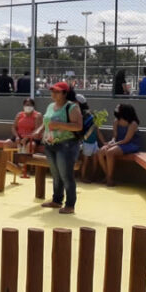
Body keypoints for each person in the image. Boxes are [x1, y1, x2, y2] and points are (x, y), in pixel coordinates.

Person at [40, 82, 83, 214]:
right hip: (50, 144)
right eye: (52, 91)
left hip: (66, 145)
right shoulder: (51, 106)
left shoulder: (72, 107)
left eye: (57, 91)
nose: (53, 93)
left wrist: (59, 125)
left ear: (65, 93)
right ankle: (57, 200)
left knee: (66, 175)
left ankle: (70, 205)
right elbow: (46, 122)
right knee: (56, 174)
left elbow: (78, 126)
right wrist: (39, 132)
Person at [97, 104, 141, 187]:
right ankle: (108, 176)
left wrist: (113, 144)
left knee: (110, 152)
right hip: (118, 143)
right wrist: (112, 141)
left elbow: (126, 140)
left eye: (118, 108)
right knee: (100, 151)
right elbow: (115, 136)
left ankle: (110, 178)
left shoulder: (133, 123)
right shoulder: (116, 121)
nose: (116, 109)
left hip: (130, 144)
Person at [76, 94, 103, 182]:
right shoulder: (83, 115)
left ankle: (93, 176)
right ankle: (83, 177)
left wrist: (104, 142)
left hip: (93, 143)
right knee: (86, 161)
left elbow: (98, 131)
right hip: (86, 143)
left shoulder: (87, 115)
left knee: (95, 160)